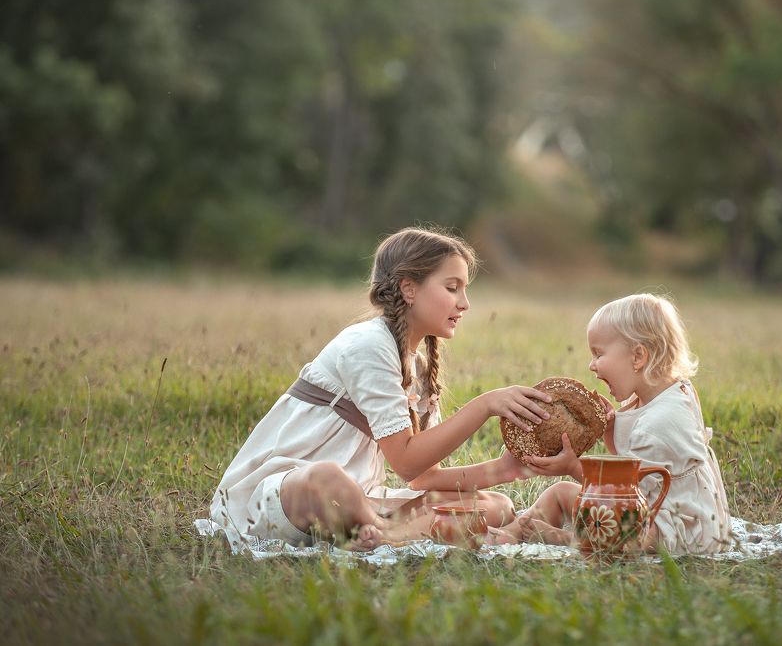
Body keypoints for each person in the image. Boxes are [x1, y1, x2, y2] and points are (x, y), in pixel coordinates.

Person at [209, 227, 550, 549]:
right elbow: (405, 462)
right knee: (328, 477)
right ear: (409, 288)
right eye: (452, 287)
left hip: (361, 501)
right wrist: (485, 405)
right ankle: (389, 533)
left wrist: (505, 470)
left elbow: (423, 479)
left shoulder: (417, 365)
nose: (465, 303)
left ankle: (381, 536)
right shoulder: (368, 345)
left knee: (496, 505)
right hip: (286, 496)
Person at [488, 293, 732, 555]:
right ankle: (515, 531)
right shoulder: (664, 393)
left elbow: (623, 498)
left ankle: (567, 540)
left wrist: (573, 467)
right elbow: (632, 464)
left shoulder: (661, 422)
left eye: (598, 354)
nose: (591, 365)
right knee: (559, 493)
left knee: (630, 537)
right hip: (652, 508)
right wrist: (609, 430)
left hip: (675, 532)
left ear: (638, 356)